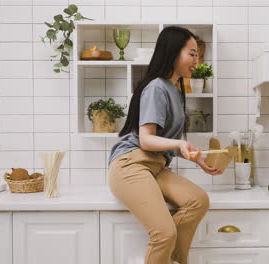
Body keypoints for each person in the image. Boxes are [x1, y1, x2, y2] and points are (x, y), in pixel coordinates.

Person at [108, 26, 223, 264]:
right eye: (192, 54)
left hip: (155, 166)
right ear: (172, 52)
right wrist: (180, 143)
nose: (197, 61)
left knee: (198, 200)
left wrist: (196, 158)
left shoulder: (173, 88)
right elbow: (146, 140)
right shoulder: (156, 87)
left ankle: (173, 260)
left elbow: (163, 143)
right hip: (131, 165)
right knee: (164, 233)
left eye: (198, 55)